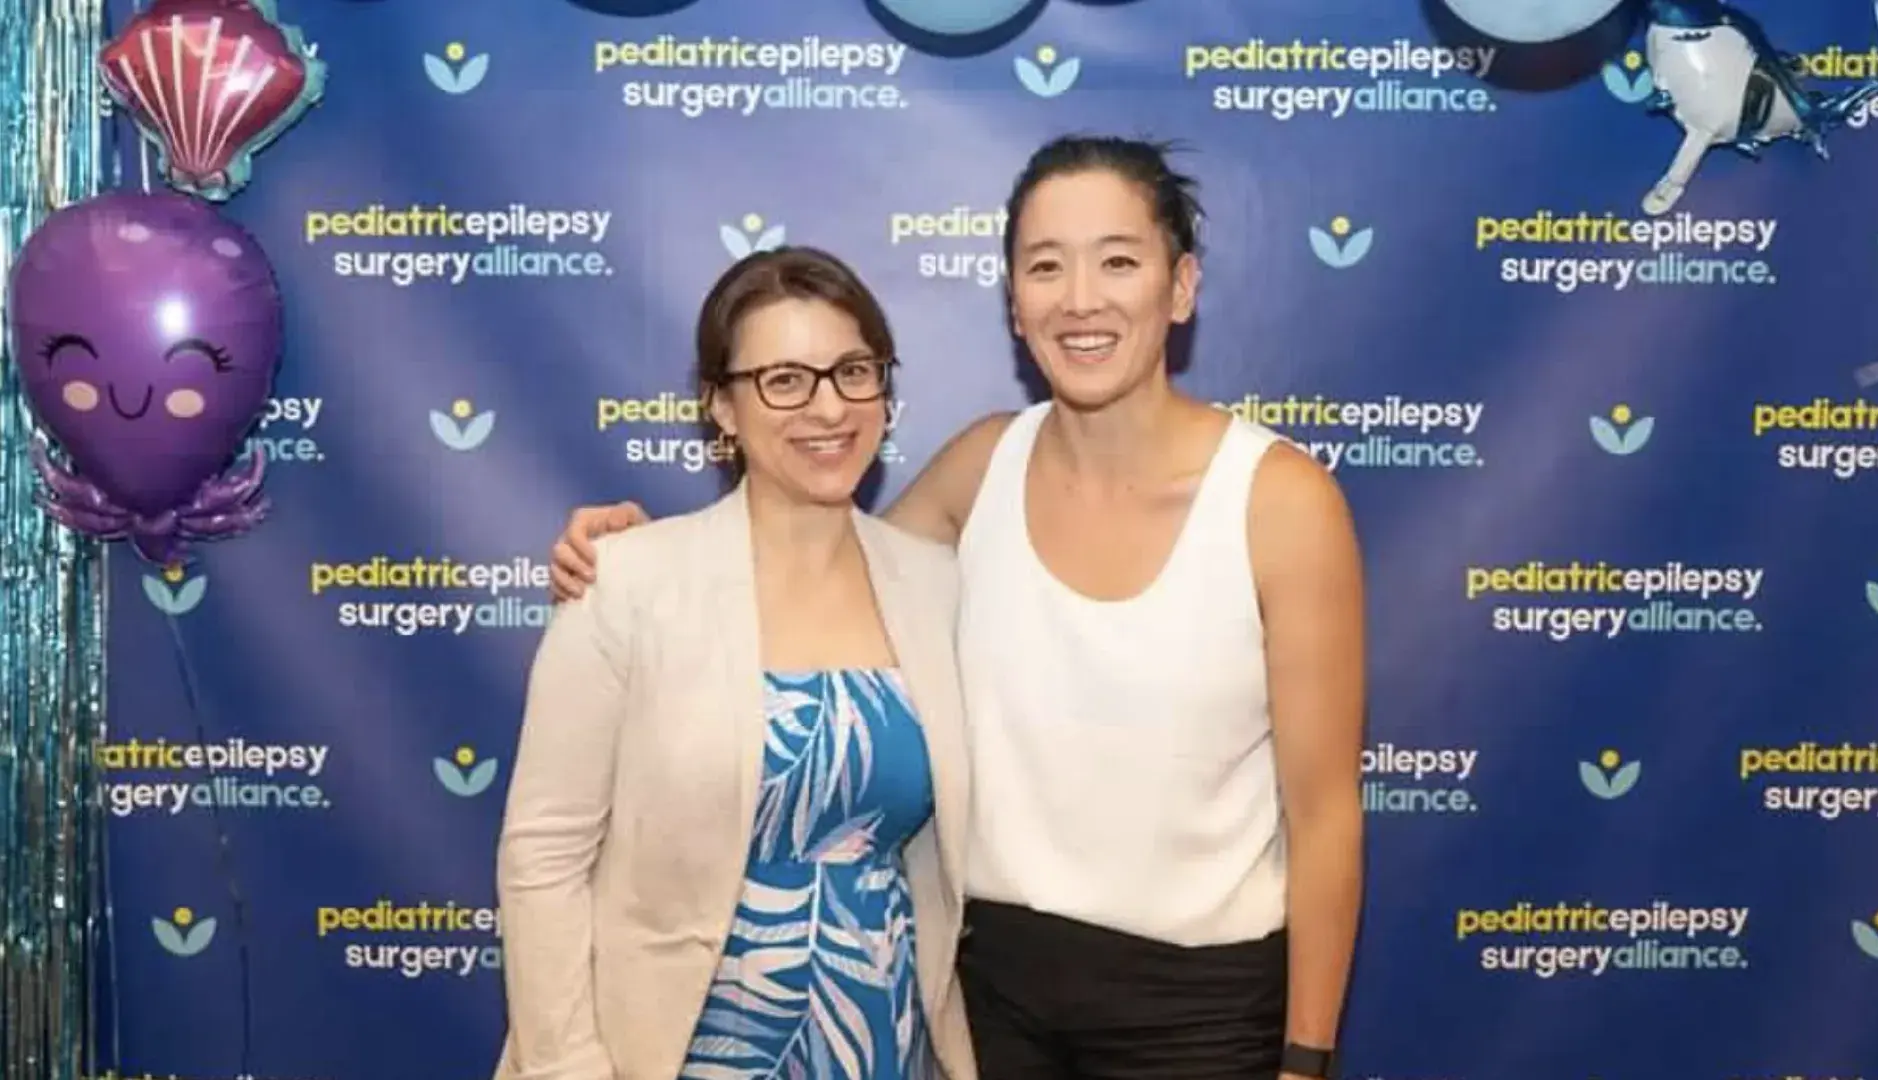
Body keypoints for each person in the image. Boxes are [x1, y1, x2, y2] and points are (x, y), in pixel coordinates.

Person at [545, 135, 1366, 1080]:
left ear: (1180, 287)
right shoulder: (982, 468)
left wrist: (1306, 1061)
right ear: (1015, 303)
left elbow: (1325, 816)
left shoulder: (1279, 503)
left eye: (1118, 261)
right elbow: (813, 584)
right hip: (989, 1003)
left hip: (1203, 1014)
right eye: (1046, 266)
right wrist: (644, 561)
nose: (1081, 299)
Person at [493, 246, 978, 1080]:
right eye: (784, 380)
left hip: (878, 1043)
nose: (829, 406)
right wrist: (567, 1064)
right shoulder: (628, 581)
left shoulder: (938, 586)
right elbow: (543, 856)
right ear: (722, 405)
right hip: (669, 1054)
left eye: (853, 371)